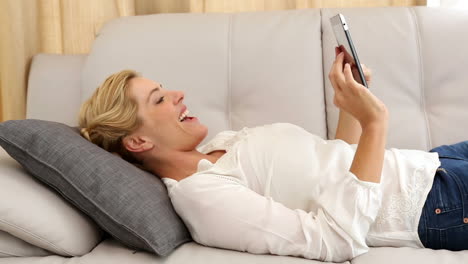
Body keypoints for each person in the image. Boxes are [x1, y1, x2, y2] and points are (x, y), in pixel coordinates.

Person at [78, 47, 468, 262]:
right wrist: (375, 123)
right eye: (159, 99)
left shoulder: (225, 144)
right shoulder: (203, 196)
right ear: (137, 142)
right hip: (434, 204)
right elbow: (335, 239)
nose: (177, 94)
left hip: (431, 163)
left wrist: (350, 104)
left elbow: (338, 163)